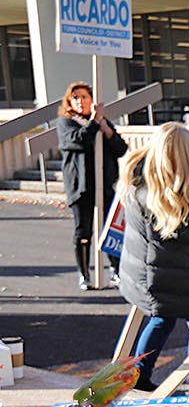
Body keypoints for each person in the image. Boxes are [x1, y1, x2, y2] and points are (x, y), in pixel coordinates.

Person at [118, 122, 189, 395]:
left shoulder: (139, 184)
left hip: (150, 274)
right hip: (175, 273)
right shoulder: (165, 197)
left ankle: (140, 376)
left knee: (161, 318)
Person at [56, 82, 128, 290]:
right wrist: (95, 123)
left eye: (84, 97)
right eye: (75, 97)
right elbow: (80, 140)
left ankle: (116, 270)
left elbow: (121, 149)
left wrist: (105, 128)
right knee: (83, 230)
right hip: (81, 186)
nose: (80, 101)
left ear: (92, 100)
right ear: (69, 102)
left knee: (109, 229)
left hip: (105, 184)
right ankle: (84, 273)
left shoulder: (102, 122)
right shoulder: (66, 123)